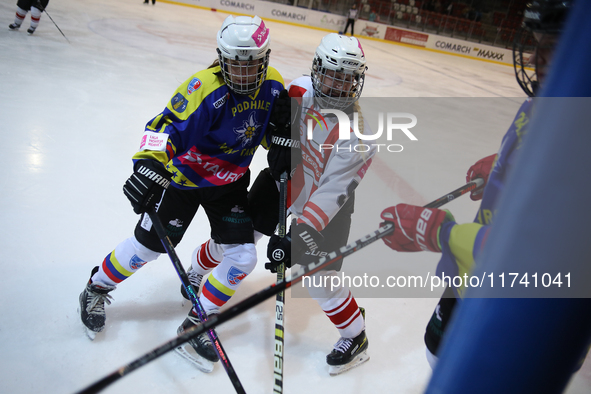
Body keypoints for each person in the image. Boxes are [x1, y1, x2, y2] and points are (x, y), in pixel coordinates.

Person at [378, 0, 573, 369]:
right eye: (538, 43)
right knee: (437, 350)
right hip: (474, 283)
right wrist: (505, 168)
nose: (536, 58)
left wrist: (440, 233)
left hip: (516, 309)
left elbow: (533, 259)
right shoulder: (545, 104)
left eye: (554, 47)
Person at [78, 15, 285, 361]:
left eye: (252, 65)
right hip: (183, 182)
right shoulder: (203, 88)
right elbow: (165, 128)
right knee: (147, 249)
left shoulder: (274, 86)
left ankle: (196, 323)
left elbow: (264, 132)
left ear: (265, 59)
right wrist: (148, 164)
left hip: (229, 185)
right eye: (235, 64)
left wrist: (283, 143)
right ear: (221, 58)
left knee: (243, 256)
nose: (244, 74)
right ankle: (95, 287)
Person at [185, 33, 374, 375]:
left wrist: (296, 235)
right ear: (317, 69)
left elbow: (331, 194)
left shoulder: (359, 138)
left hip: (324, 210)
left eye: (348, 79)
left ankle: (355, 335)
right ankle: (197, 279)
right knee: (236, 239)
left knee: (320, 280)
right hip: (280, 184)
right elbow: (267, 133)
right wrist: (277, 140)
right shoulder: (298, 90)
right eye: (333, 74)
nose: (339, 85)